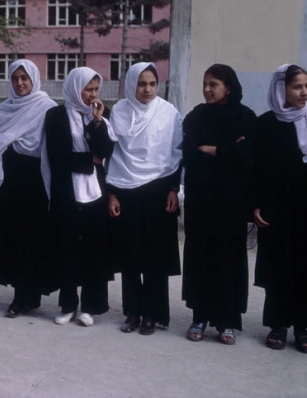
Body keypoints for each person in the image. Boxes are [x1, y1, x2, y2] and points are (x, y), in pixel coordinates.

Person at [181, 64, 256, 345]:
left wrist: (213, 149)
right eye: (204, 83)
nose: (207, 89)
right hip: (202, 200)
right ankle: (199, 316)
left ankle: (227, 320)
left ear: (229, 86)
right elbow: (190, 155)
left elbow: (246, 158)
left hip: (231, 203)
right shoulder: (196, 117)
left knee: (229, 259)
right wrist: (228, 152)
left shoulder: (246, 117)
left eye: (213, 84)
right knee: (201, 257)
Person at [106, 63, 183, 335]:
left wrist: (174, 188)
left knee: (155, 257)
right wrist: (112, 193)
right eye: (141, 84)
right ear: (130, 85)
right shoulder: (119, 111)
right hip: (126, 190)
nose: (147, 89)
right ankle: (133, 312)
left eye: (152, 83)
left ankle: (153, 313)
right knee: (130, 256)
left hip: (159, 191)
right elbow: (111, 155)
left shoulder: (168, 113)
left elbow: (177, 154)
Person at [44, 66, 116, 327]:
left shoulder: (100, 115)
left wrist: (97, 121)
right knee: (68, 249)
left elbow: (105, 150)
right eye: (88, 89)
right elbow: (58, 156)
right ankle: (68, 304)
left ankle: (90, 306)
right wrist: (90, 159)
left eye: (96, 89)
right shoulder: (55, 115)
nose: (92, 95)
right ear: (76, 88)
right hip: (66, 192)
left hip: (96, 192)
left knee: (94, 250)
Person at [0, 59, 58, 317]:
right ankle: (20, 296)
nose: (20, 83)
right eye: (15, 78)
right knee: (14, 238)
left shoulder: (46, 107)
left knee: (34, 239)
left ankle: (29, 296)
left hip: (36, 180)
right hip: (12, 180)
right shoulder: (5, 108)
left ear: (34, 79)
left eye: (24, 78)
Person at [252, 63, 307, 352]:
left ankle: (303, 326)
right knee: (278, 264)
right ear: (281, 88)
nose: (304, 92)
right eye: (297, 86)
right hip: (276, 206)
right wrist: (256, 204)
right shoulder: (265, 124)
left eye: (306, 86)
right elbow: (255, 169)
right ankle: (278, 324)